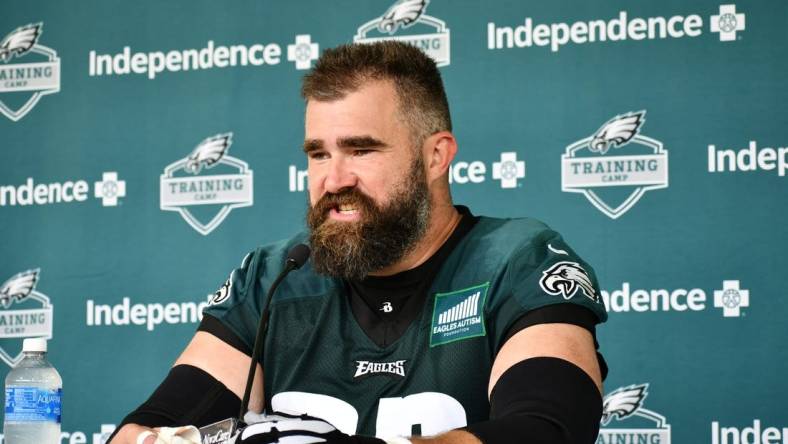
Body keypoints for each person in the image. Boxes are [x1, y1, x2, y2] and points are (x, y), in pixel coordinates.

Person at [110, 41, 608, 444]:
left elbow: (549, 428)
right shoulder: (276, 276)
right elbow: (147, 428)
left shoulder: (515, 260)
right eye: (318, 154)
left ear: (436, 156)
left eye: (361, 149)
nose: (333, 179)